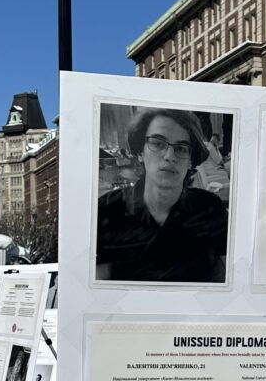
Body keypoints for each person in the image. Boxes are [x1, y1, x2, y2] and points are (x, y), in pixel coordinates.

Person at [96, 108, 228, 282]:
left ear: (191, 160)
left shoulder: (209, 207)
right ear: (141, 152)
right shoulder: (107, 210)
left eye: (181, 148)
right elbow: (96, 291)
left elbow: (230, 278)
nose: (169, 156)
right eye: (158, 144)